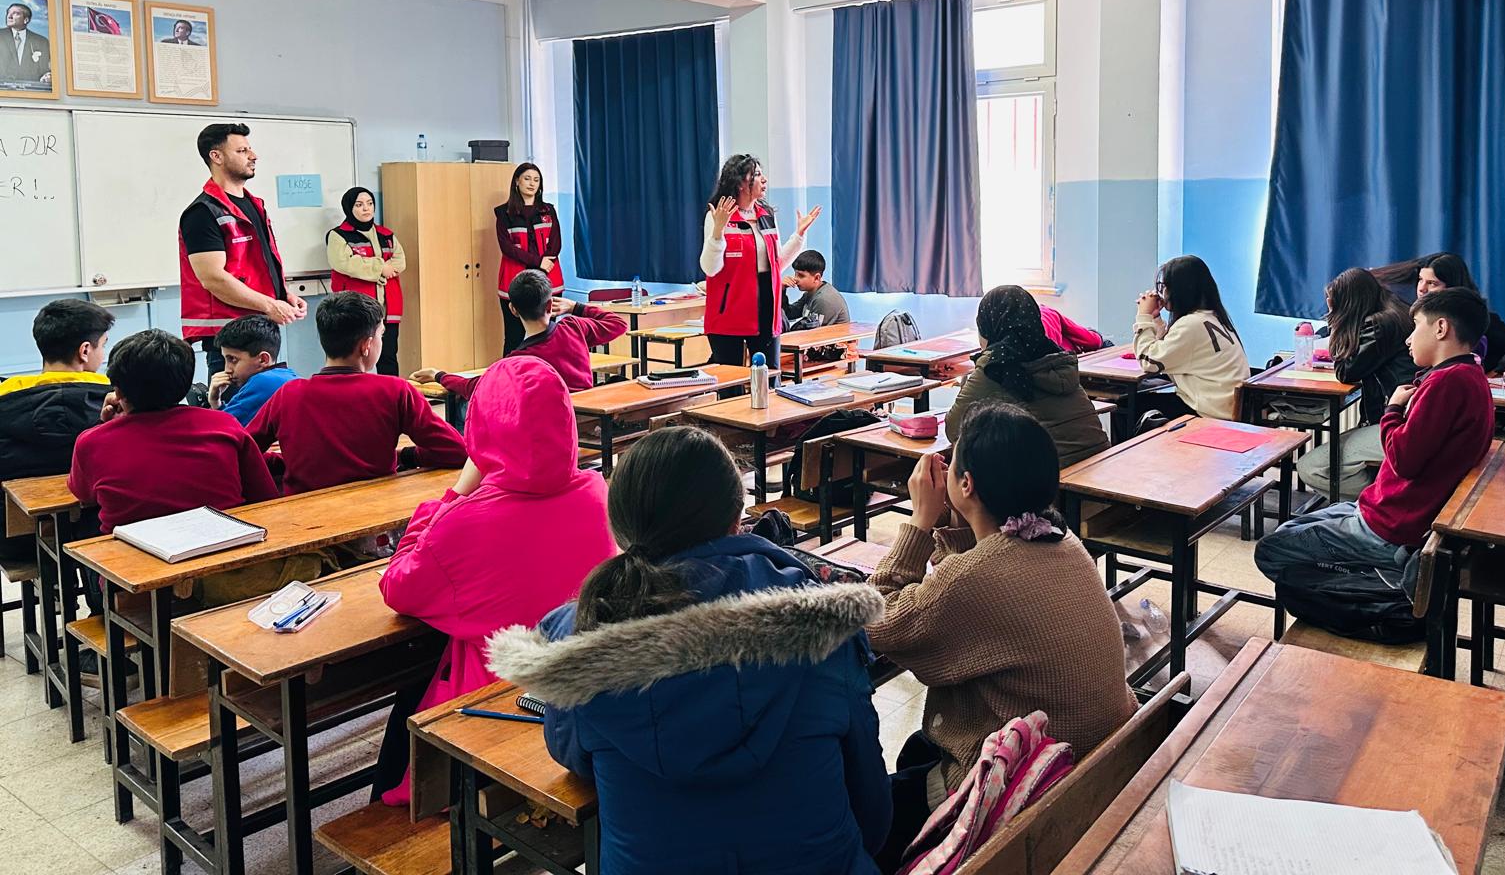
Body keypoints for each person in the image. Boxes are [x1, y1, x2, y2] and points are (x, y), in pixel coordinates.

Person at [486, 427, 891, 875]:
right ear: (737, 517)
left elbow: (571, 755)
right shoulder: (822, 622)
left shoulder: (579, 638)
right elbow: (872, 810)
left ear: (620, 527)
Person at [865, 403, 1134, 867]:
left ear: (965, 485)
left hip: (1022, 788)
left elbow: (880, 622)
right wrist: (959, 521)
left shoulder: (977, 578)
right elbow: (977, 577)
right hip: (1095, 762)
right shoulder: (1062, 540)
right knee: (916, 750)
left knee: (865, 815)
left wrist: (919, 523)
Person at [374, 358, 616, 805]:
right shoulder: (598, 492)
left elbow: (397, 587)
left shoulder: (466, 523)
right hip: (580, 693)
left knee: (409, 687)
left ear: (481, 428)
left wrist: (453, 495)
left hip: (492, 708)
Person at [1255, 288, 1495, 637]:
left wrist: (1393, 409)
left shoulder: (1447, 383)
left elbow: (1404, 460)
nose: (1410, 338)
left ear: (1441, 328)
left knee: (1272, 552)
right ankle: (1378, 580)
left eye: (1416, 327)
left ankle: (1389, 586)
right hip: (1382, 510)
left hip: (1392, 528)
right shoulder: (1468, 374)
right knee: (1290, 531)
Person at [246, 292, 466, 495]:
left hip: (304, 520)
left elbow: (241, 452)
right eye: (381, 335)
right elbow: (457, 451)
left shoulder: (289, 394)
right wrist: (407, 456)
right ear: (366, 345)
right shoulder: (395, 391)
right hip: (377, 514)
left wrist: (285, 462)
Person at [68, 329, 280, 532]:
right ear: (186, 383)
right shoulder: (225, 425)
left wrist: (105, 427)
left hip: (134, 563)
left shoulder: (92, 442)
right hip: (227, 553)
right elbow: (264, 494)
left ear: (117, 391)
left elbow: (84, 495)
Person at [179, 122, 306, 377]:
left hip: (261, 330)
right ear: (216, 156)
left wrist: (282, 295)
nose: (253, 155)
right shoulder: (203, 212)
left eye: (250, 149)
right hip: (230, 340)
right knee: (236, 413)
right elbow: (213, 278)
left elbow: (256, 265)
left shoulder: (253, 204)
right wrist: (270, 305)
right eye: (242, 151)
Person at [945, 285, 1110, 468]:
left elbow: (954, 429)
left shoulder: (996, 367)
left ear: (987, 327)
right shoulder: (1056, 357)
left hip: (1051, 483)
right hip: (1097, 465)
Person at [0, 300, 113, 562]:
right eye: (104, 344)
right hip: (98, 535)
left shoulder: (8, 396)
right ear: (85, 350)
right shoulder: (115, 399)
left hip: (15, 542)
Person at [413, 269, 625, 399]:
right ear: (551, 304)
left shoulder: (517, 360)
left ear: (513, 310)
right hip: (587, 417)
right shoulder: (574, 327)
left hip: (549, 430)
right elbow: (618, 324)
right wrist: (576, 307)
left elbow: (473, 387)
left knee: (464, 405)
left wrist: (439, 375)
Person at [1298, 268, 1416, 500]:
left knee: (1312, 468)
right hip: (1404, 415)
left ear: (1349, 304)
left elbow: (1345, 372)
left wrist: (1338, 320)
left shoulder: (1379, 325)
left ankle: (1387, 498)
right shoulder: (1391, 309)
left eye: (1332, 304)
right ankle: (1385, 493)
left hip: (1401, 422)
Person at [701, 154, 820, 366]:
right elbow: (710, 268)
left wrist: (799, 235)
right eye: (756, 175)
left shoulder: (766, 215)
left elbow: (777, 263)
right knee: (731, 386)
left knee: (769, 379)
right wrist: (718, 231)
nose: (764, 179)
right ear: (740, 183)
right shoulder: (718, 215)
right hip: (730, 314)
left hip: (766, 310)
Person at [1370, 252, 1505, 373]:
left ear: (1452, 286)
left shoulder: (1479, 317)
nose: (1422, 288)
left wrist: (1487, 370)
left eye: (1432, 283)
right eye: (1420, 280)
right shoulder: (1419, 316)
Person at [1132, 255, 1250, 421]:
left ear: (1180, 290)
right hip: (1225, 407)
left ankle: (1126, 448)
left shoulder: (1191, 325)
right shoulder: (1211, 317)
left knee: (1127, 406)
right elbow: (1165, 349)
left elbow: (1149, 362)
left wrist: (1143, 316)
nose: (1162, 293)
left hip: (1208, 413)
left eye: (1165, 287)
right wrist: (1155, 318)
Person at [326, 186, 406, 376]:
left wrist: (385, 268)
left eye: (370, 204)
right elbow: (344, 263)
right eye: (360, 205)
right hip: (356, 309)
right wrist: (380, 268)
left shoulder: (386, 234)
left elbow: (400, 260)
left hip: (387, 307)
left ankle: (390, 397)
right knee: (352, 357)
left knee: (388, 355)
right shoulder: (338, 235)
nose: (366, 209)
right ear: (349, 208)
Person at [494, 162, 564, 357]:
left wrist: (543, 266)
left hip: (549, 277)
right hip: (514, 280)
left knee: (549, 334)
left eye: (536, 179)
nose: (532, 183)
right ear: (517, 181)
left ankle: (550, 372)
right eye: (527, 178)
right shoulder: (503, 213)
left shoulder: (548, 210)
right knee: (514, 336)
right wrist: (537, 263)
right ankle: (509, 376)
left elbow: (556, 243)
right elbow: (507, 248)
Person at [207, 315, 298, 425]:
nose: (227, 369)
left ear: (263, 359)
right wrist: (216, 402)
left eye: (233, 359)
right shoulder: (288, 376)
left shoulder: (263, 382)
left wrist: (213, 402)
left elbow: (223, 428)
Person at [781, 250, 850, 329]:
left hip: (827, 340)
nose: (795, 279)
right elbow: (789, 314)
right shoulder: (810, 293)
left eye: (801, 275)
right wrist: (781, 290)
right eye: (795, 274)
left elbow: (814, 334)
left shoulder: (824, 299)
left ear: (817, 278)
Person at [0, 1, 51, 89]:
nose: (9, 16)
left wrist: (48, 76)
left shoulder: (42, 42)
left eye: (15, 13)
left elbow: (45, 70)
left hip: (32, 92)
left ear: (26, 20)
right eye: (8, 12)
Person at [1036, 301, 1108, 355]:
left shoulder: (1037, 316)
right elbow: (1093, 341)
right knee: (1106, 344)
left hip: (1035, 367)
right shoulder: (1045, 313)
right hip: (1063, 363)